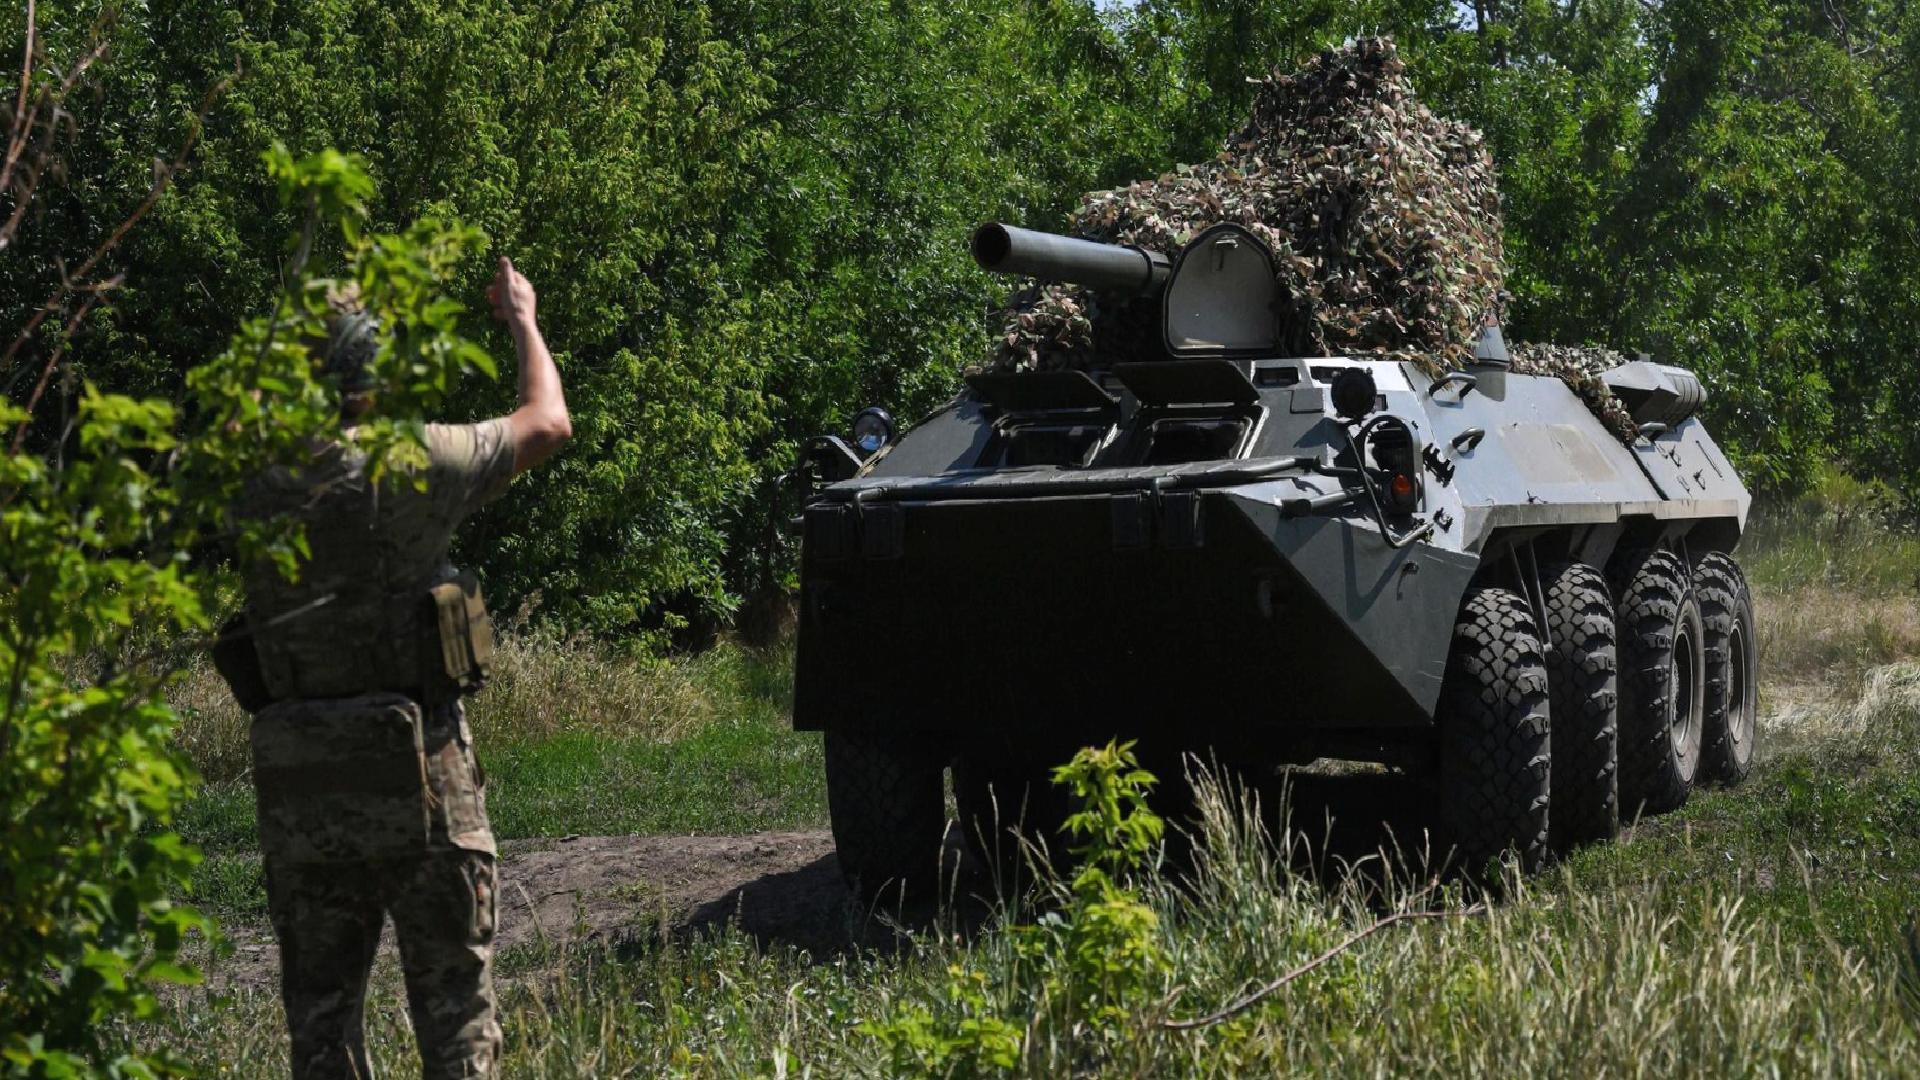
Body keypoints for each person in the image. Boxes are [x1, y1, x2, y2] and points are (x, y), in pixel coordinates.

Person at [235, 257, 569, 1078]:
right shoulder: (415, 461)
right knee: (456, 1023)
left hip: (302, 793)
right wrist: (523, 319)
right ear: (368, 372)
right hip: (426, 784)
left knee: (321, 1033)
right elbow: (548, 423)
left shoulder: (248, 480)